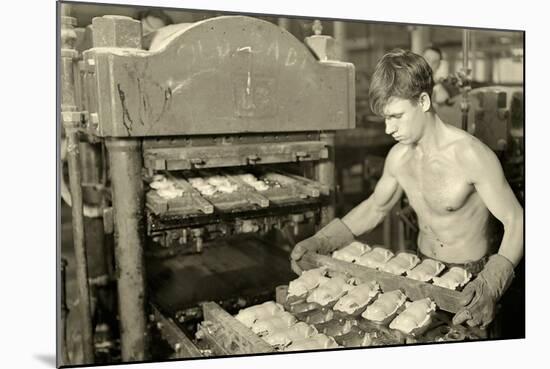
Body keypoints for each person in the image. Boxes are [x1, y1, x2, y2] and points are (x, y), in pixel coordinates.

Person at [290, 49, 523, 330]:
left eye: (396, 116)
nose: (388, 129)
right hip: (419, 269)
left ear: (423, 101)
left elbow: (517, 221)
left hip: (471, 280)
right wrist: (323, 241)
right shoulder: (399, 157)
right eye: (385, 119)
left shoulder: (471, 155)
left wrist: (491, 283)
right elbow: (376, 206)